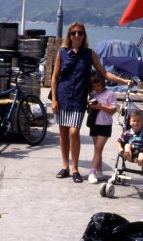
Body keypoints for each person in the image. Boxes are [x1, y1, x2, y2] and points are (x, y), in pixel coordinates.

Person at [51, 21, 131, 183]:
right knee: (63, 133)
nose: (77, 35)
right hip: (63, 96)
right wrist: (54, 99)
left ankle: (75, 169)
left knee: (74, 132)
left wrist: (124, 81)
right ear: (69, 35)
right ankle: (65, 166)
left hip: (79, 98)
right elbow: (54, 77)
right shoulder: (62, 53)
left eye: (80, 33)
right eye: (74, 33)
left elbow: (105, 73)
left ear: (84, 35)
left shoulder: (90, 54)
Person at [87, 72, 117, 184]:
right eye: (94, 86)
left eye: (98, 85)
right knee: (97, 150)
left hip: (105, 125)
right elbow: (89, 111)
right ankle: (99, 171)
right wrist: (91, 107)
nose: (97, 88)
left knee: (98, 149)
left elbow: (113, 110)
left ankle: (92, 172)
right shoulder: (93, 95)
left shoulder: (110, 94)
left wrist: (101, 106)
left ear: (103, 83)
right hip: (94, 123)